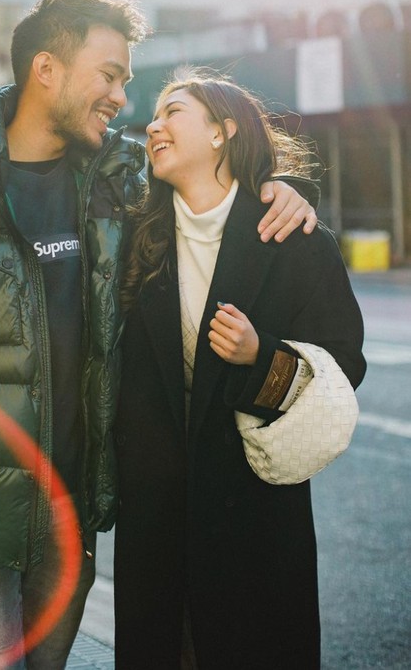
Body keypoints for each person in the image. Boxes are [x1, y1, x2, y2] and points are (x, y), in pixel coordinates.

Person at [0, 0, 317, 670]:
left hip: (70, 517)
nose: (123, 96)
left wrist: (285, 190)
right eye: (109, 75)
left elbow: (216, 189)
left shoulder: (123, 182)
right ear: (47, 70)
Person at [113, 70, 367, 670]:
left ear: (222, 131)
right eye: (154, 116)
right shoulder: (132, 236)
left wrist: (262, 358)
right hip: (154, 510)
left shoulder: (295, 238)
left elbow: (344, 363)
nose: (153, 126)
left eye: (173, 112)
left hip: (253, 511)